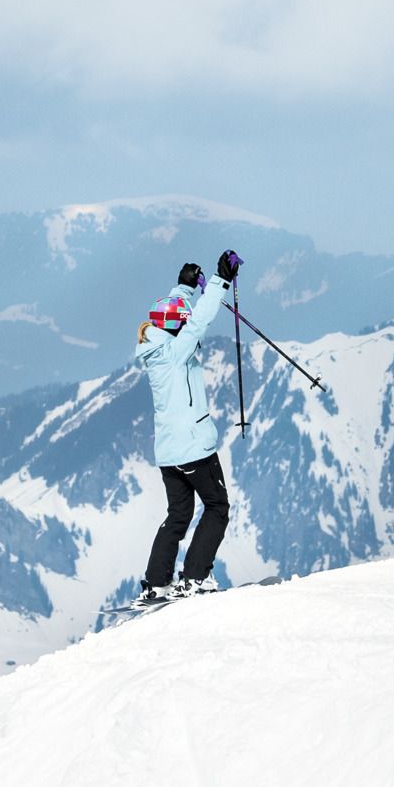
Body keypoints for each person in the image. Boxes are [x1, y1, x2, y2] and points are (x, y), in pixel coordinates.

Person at [134, 249, 243, 604]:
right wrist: (220, 280)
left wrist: (184, 287)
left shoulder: (155, 346)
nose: (184, 324)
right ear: (173, 326)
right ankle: (195, 578)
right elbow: (197, 323)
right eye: (179, 321)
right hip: (194, 448)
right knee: (217, 507)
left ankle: (157, 582)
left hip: (168, 452)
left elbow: (178, 315)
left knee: (179, 514)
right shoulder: (176, 351)